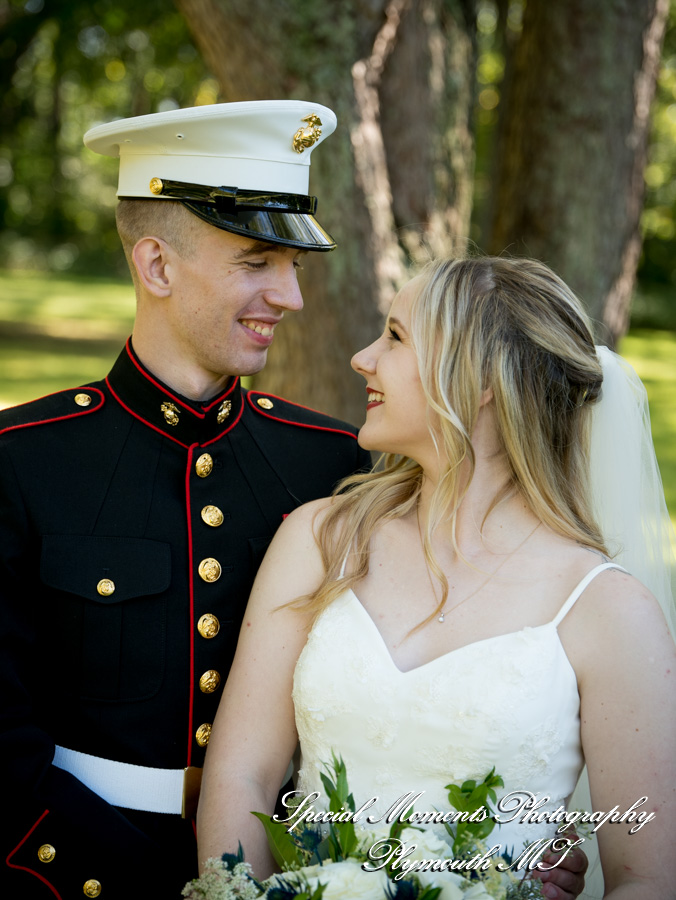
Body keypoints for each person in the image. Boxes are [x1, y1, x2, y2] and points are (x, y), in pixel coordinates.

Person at [196, 255, 676, 900]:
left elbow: (648, 879)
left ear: (479, 379)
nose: (362, 358)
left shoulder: (606, 609)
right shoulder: (321, 539)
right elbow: (240, 777)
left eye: (395, 337)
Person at [0, 100, 373, 898]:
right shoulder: (20, 462)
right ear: (157, 266)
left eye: (294, 267)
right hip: (72, 874)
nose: (291, 297)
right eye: (255, 263)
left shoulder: (337, 465)